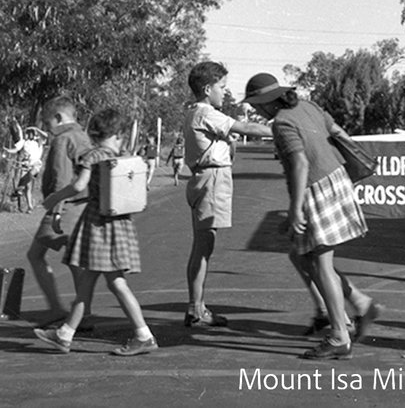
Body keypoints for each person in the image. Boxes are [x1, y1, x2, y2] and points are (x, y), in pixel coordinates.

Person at [242, 72, 378, 360]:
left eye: (256, 105)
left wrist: (294, 209)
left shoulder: (281, 122)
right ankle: (360, 302)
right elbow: (339, 134)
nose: (256, 110)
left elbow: (301, 163)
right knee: (302, 254)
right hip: (336, 179)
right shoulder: (309, 106)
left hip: (316, 187)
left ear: (266, 103)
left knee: (320, 262)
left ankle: (340, 334)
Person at [32, 108, 157, 356]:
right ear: (117, 135)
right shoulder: (122, 158)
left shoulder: (93, 156)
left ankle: (144, 335)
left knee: (116, 283)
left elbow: (79, 185)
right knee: (89, 282)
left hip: (98, 226)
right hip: (118, 225)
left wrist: (57, 198)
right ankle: (64, 334)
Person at [183, 60, 272, 328]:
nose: (225, 91)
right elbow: (247, 128)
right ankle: (196, 309)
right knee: (203, 247)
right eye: (221, 87)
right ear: (208, 88)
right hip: (211, 178)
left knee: (203, 246)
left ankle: (195, 307)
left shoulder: (198, 113)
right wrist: (281, 130)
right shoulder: (206, 112)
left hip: (208, 177)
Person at [25, 97, 93, 325]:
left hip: (66, 206)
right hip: (84, 204)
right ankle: (82, 313)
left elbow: (61, 178)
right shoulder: (83, 136)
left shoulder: (63, 139)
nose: (47, 129)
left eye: (47, 123)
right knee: (76, 260)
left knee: (35, 255)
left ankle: (58, 308)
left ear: (58, 118)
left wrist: (55, 210)